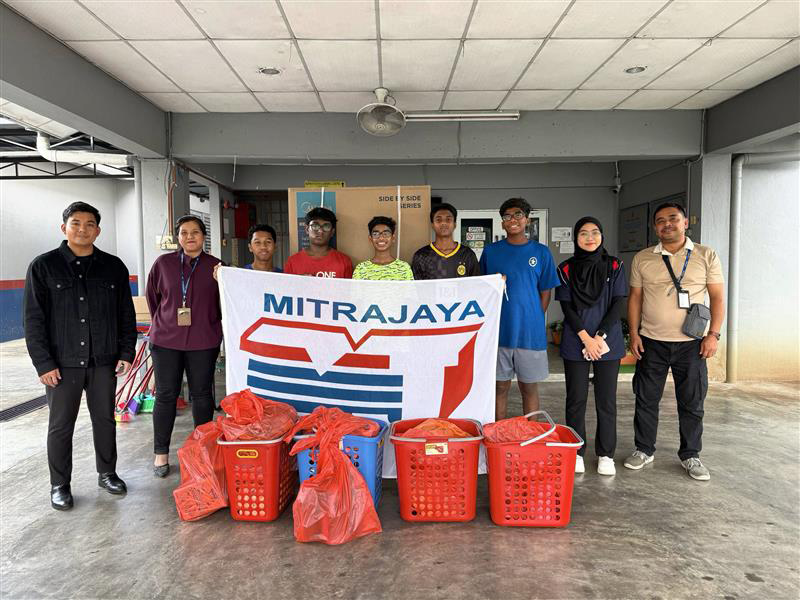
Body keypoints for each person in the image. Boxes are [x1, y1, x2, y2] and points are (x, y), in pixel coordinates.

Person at [24, 202, 136, 510]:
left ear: (98, 230)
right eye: (76, 223)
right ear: (64, 228)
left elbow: (125, 314)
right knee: (61, 426)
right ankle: (59, 484)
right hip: (63, 363)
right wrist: (43, 363)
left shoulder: (113, 267)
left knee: (105, 420)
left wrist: (126, 352)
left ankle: (107, 473)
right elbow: (33, 319)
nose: (82, 229)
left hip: (104, 361)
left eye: (89, 224)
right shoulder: (44, 266)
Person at [624, 202, 725, 481]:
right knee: (646, 399)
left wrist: (713, 335)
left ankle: (691, 454)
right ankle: (644, 449)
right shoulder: (643, 258)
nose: (667, 224)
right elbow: (635, 298)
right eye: (660, 220)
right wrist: (634, 333)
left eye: (673, 218)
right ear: (654, 227)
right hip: (652, 341)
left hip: (692, 343)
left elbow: (717, 297)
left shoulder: (706, 255)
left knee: (692, 401)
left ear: (685, 223)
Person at [146, 215, 222, 478]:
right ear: (178, 237)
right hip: (166, 340)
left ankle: (203, 451)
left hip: (204, 340)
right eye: (184, 233)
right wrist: (165, 322)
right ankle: (161, 454)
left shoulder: (217, 267)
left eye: (195, 232)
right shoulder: (163, 264)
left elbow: (224, 304)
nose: (190, 237)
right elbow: (153, 298)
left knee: (202, 395)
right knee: (166, 395)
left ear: (204, 236)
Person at [556, 217, 627, 476]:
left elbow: (618, 302)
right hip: (576, 340)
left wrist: (600, 336)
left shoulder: (615, 265)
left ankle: (606, 454)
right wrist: (586, 338)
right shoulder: (565, 268)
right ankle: (576, 451)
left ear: (602, 236)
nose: (590, 238)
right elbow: (567, 307)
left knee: (606, 401)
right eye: (583, 233)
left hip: (607, 342)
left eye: (595, 232)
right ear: (576, 238)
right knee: (576, 399)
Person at [479, 198, 560, 420]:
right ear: (502, 222)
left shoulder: (541, 252)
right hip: (498, 332)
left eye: (518, 215)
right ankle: (497, 434)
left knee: (529, 387)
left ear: (527, 220)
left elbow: (545, 292)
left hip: (529, 334)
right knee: (499, 387)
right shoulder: (491, 252)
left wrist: (534, 317)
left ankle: (530, 434)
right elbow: (482, 288)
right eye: (507, 216)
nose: (512, 220)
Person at [411, 203, 481, 280]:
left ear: (455, 224)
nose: (443, 223)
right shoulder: (421, 255)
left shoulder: (467, 254)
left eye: (448, 219)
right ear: (432, 225)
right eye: (438, 220)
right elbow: (417, 286)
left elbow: (476, 284)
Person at [284, 207, 353, 278]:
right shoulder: (292, 262)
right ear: (307, 229)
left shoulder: (344, 262)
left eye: (326, 226)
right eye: (315, 226)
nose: (320, 231)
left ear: (332, 232)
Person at [352, 216, 413, 280]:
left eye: (386, 234)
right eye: (376, 234)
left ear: (393, 238)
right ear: (370, 239)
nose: (381, 238)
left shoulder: (404, 268)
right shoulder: (361, 269)